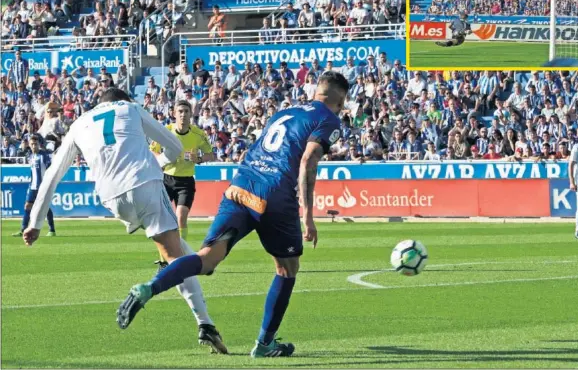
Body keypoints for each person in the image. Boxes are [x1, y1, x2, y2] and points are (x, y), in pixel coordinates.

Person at [117, 72, 349, 358]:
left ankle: (149, 288)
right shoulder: (329, 119)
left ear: (317, 91)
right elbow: (308, 161)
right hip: (275, 193)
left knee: (206, 259)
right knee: (287, 269)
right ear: (340, 100)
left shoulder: (285, 112)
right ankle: (265, 343)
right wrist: (308, 216)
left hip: (241, 184)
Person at [22, 88, 227, 355]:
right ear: (123, 100)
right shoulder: (130, 108)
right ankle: (199, 317)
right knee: (176, 258)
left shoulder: (78, 124)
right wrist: (157, 163)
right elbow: (174, 148)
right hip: (145, 183)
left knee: (174, 252)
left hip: (111, 199)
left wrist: (35, 222)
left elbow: (52, 175)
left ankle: (206, 321)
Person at [150, 100, 214, 270]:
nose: (183, 114)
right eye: (180, 111)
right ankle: (164, 260)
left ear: (190, 114)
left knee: (180, 216)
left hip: (186, 180)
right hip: (167, 179)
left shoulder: (198, 134)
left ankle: (181, 256)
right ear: (174, 113)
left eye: (186, 111)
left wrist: (198, 159)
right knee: (162, 219)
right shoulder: (166, 131)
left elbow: (211, 154)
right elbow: (153, 150)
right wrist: (162, 159)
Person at [11, 135, 56, 237]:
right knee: (27, 206)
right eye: (32, 144)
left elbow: (50, 170)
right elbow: (32, 173)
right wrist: (30, 184)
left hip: (43, 186)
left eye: (35, 144)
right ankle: (23, 229)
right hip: (33, 186)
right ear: (29, 145)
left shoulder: (44, 156)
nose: (33, 146)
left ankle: (52, 230)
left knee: (45, 207)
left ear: (39, 144)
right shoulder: (30, 156)